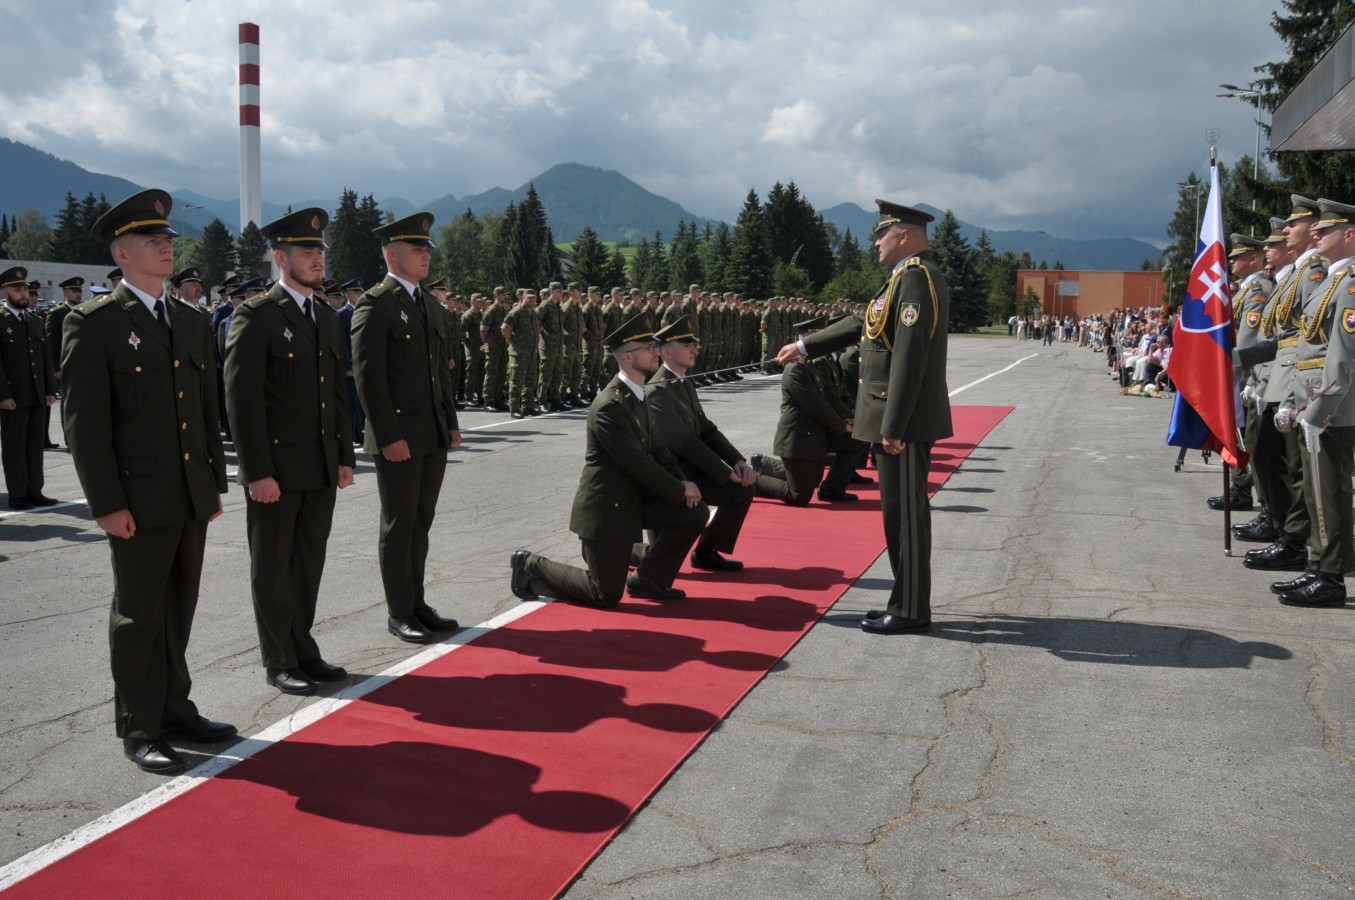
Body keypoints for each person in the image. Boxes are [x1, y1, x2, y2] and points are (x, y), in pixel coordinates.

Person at [62, 189, 233, 773]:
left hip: (187, 491)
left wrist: (211, 482)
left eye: (167, 238)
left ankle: (175, 709)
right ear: (122, 253)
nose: (166, 246)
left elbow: (205, 409)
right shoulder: (96, 323)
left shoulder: (188, 319)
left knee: (179, 608)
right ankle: (140, 726)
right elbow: (85, 425)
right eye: (152, 240)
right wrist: (106, 503)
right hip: (137, 495)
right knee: (139, 615)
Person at [779, 200, 951, 634]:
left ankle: (910, 609)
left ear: (904, 236)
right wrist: (805, 346)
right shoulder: (901, 278)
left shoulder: (916, 278)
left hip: (902, 422)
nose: (876, 243)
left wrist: (894, 425)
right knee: (898, 516)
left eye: (882, 235)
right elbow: (862, 321)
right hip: (895, 418)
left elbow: (910, 357)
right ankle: (907, 600)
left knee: (905, 517)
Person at [224, 208, 356, 694]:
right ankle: (279, 658)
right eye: (307, 250)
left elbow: (335, 393)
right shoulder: (256, 315)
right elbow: (242, 401)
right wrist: (257, 471)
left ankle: (303, 646)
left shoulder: (324, 315)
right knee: (273, 566)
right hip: (277, 468)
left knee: (307, 562)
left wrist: (344, 455)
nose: (318, 258)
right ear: (280, 258)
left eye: (320, 250)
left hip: (319, 464)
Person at [510, 312, 707, 608]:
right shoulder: (610, 405)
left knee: (694, 512)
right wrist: (680, 489)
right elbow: (638, 464)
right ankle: (530, 566)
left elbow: (659, 451)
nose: (655, 352)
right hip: (607, 512)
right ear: (627, 357)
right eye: (649, 348)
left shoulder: (638, 395)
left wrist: (684, 482)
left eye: (655, 347)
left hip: (632, 502)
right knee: (604, 595)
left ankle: (649, 578)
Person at [351, 212, 461, 644]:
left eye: (427, 249)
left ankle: (417, 602)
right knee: (399, 524)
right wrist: (388, 435)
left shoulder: (429, 304)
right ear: (392, 254)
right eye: (417, 249)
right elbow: (369, 378)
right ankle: (399, 611)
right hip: (399, 435)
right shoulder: (375, 304)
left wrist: (450, 423)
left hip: (431, 431)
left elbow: (440, 372)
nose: (425, 256)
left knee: (420, 521)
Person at [1275, 199, 1355, 607]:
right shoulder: (1331, 280)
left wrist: (1319, 411)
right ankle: (1317, 564)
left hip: (1332, 408)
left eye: (1327, 229)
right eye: (1317, 229)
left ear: (1350, 234)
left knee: (1329, 493)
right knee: (1315, 493)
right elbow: (1307, 349)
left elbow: (1341, 356)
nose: (1317, 233)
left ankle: (1331, 577)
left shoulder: (1351, 284)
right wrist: (1294, 401)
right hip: (1313, 402)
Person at [646, 315, 756, 570]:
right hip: (674, 478)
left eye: (693, 344)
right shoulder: (658, 391)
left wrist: (737, 460)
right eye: (686, 345)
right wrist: (725, 473)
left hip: (693, 471)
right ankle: (636, 553)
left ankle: (706, 551)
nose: (694, 349)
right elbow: (685, 443)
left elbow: (705, 428)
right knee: (658, 555)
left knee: (742, 491)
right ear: (666, 352)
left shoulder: (683, 382)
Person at [756, 315, 869, 505]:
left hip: (815, 434)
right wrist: (843, 426)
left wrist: (846, 420)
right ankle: (752, 479)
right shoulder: (796, 369)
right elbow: (817, 407)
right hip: (799, 438)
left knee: (852, 443)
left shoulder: (811, 365)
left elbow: (829, 400)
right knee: (798, 495)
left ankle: (832, 490)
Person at [0, 267, 58, 508]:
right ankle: (18, 494)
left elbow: (45, 358)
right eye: (18, 290)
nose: (24, 294)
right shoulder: (1, 321)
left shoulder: (35, 320)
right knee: (15, 447)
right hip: (14, 396)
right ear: (4, 292)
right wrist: (3, 395)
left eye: (25, 289)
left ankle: (35, 490)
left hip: (37, 394)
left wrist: (50, 389)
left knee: (35, 446)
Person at [503, 289, 540, 418]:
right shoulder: (516, 312)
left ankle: (528, 407)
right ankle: (514, 408)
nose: (532, 300)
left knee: (530, 381)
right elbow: (505, 329)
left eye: (534, 298)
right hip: (519, 353)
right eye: (529, 298)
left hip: (531, 353)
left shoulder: (533, 313)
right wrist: (511, 341)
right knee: (516, 381)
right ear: (523, 298)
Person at [336, 278, 364, 446]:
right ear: (347, 295)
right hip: (352, 365)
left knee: (361, 402)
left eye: (361, 292)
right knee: (352, 402)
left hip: (362, 364)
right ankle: (352, 433)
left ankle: (359, 431)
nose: (360, 295)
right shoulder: (342, 314)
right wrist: (347, 366)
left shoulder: (362, 311)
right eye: (356, 292)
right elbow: (343, 343)